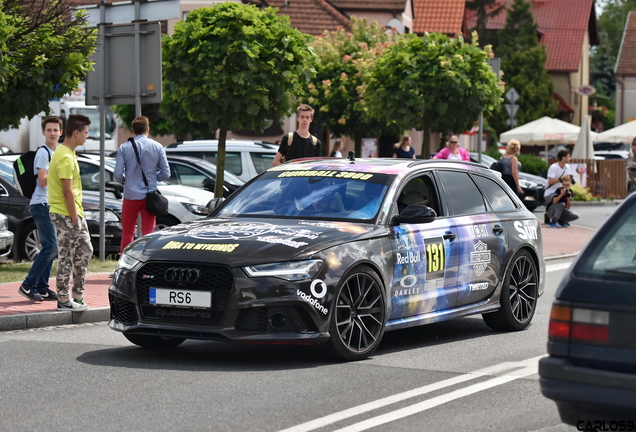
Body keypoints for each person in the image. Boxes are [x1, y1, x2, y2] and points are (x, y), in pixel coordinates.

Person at [48, 114, 93, 311]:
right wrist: (74, 217)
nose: (87, 136)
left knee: (85, 250)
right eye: (86, 133)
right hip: (66, 214)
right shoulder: (65, 156)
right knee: (66, 256)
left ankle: (78, 296)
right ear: (76, 133)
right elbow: (67, 191)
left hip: (74, 213)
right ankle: (64, 300)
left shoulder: (67, 153)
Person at [17, 116, 61, 302]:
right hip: (41, 204)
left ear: (61, 132)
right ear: (43, 132)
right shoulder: (43, 153)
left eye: (55, 130)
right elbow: (42, 180)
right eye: (49, 130)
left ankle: (42, 287)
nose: (52, 133)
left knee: (50, 247)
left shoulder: (56, 152)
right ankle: (28, 285)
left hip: (49, 204)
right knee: (51, 246)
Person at [114, 116, 170, 253]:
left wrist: (124, 181)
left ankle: (125, 260)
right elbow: (166, 172)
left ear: (133, 131)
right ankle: (145, 261)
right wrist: (153, 178)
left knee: (128, 231)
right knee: (148, 232)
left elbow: (117, 173)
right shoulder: (157, 147)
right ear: (148, 129)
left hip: (130, 195)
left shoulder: (124, 148)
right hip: (149, 196)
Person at [543, 149, 572, 223]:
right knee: (559, 202)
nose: (570, 158)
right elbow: (550, 181)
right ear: (563, 157)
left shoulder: (567, 167)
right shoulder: (554, 167)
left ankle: (561, 218)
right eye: (568, 157)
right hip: (550, 192)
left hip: (561, 190)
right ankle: (552, 216)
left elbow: (567, 179)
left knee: (566, 200)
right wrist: (560, 179)